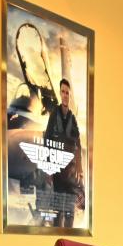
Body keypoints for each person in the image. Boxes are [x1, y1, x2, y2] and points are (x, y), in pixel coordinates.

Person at [43, 78, 84, 227]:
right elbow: (47, 140)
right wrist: (48, 169)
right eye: (63, 92)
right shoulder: (54, 116)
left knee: (70, 213)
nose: (65, 95)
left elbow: (78, 145)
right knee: (58, 211)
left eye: (67, 92)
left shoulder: (73, 119)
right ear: (60, 94)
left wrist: (80, 169)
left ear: (70, 95)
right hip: (58, 171)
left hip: (71, 174)